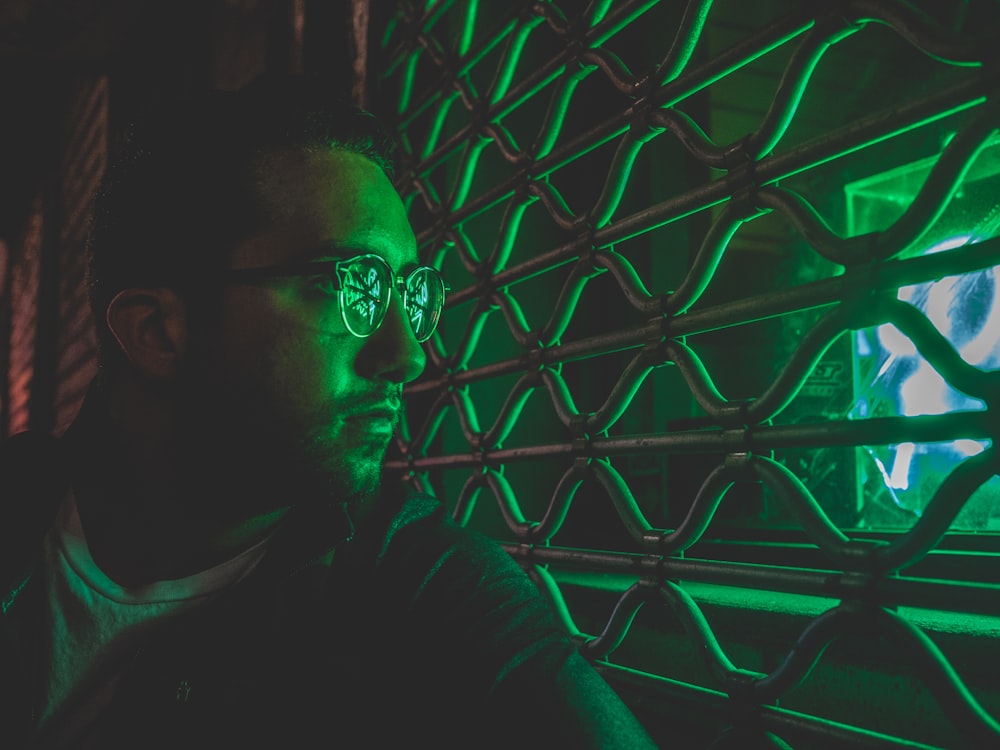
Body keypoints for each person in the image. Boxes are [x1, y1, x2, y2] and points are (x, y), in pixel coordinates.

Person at [0, 72, 659, 749]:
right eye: (346, 286)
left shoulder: (422, 590)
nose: (408, 357)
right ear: (157, 333)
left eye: (410, 294)